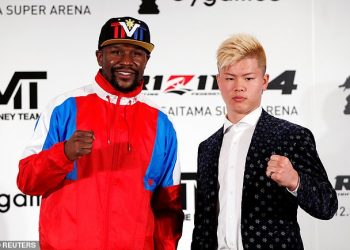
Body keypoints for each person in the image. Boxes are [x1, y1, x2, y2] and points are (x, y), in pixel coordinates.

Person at [17, 16, 184, 249]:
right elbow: (27, 181)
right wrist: (63, 154)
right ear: (99, 57)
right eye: (116, 51)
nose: (126, 61)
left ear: (146, 60)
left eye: (136, 53)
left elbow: (169, 208)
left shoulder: (161, 123)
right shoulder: (64, 107)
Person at [191, 34, 338, 250]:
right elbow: (203, 223)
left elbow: (328, 206)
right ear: (219, 81)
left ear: (264, 81)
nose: (239, 86)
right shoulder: (208, 147)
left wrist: (295, 181)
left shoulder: (291, 136)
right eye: (230, 78)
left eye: (248, 78)